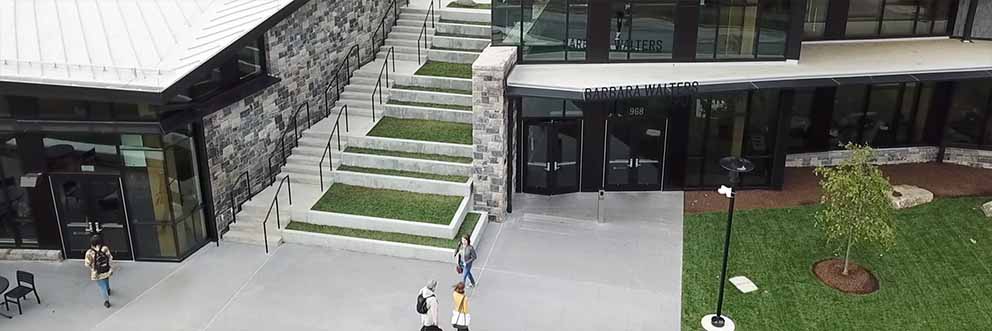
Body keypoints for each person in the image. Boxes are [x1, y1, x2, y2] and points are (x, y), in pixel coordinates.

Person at [84, 234, 113, 308]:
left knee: (102, 286)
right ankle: (108, 289)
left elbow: (87, 264)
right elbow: (110, 257)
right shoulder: (105, 248)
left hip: (96, 272)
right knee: (106, 279)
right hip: (106, 269)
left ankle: (107, 301)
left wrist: (93, 267)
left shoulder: (89, 252)